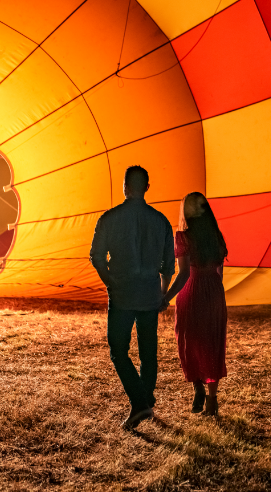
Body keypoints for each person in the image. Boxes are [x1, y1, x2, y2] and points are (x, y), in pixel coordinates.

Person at [89, 165, 175, 431]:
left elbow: (97, 257)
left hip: (123, 293)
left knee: (118, 351)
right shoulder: (161, 220)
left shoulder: (109, 218)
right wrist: (162, 291)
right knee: (148, 352)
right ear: (147, 187)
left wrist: (110, 282)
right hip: (149, 292)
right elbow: (169, 264)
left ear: (124, 187)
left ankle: (140, 403)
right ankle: (145, 399)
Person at [163, 192, 228, 416]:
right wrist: (214, 293)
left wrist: (166, 297)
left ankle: (197, 387)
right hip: (214, 292)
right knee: (212, 344)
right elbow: (219, 273)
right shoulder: (216, 235)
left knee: (189, 343)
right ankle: (212, 401)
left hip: (191, 290)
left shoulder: (183, 237)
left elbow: (182, 275)